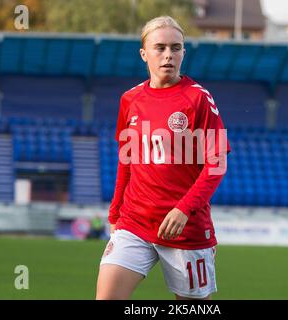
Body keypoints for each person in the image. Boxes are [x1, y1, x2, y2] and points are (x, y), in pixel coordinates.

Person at [95, 16, 230, 300]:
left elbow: (216, 164)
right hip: (134, 222)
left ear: (183, 52)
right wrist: (115, 213)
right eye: (160, 47)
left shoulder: (199, 99)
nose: (168, 54)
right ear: (144, 54)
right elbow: (126, 160)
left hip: (185, 230)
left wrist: (184, 210)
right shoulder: (130, 100)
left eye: (176, 47)